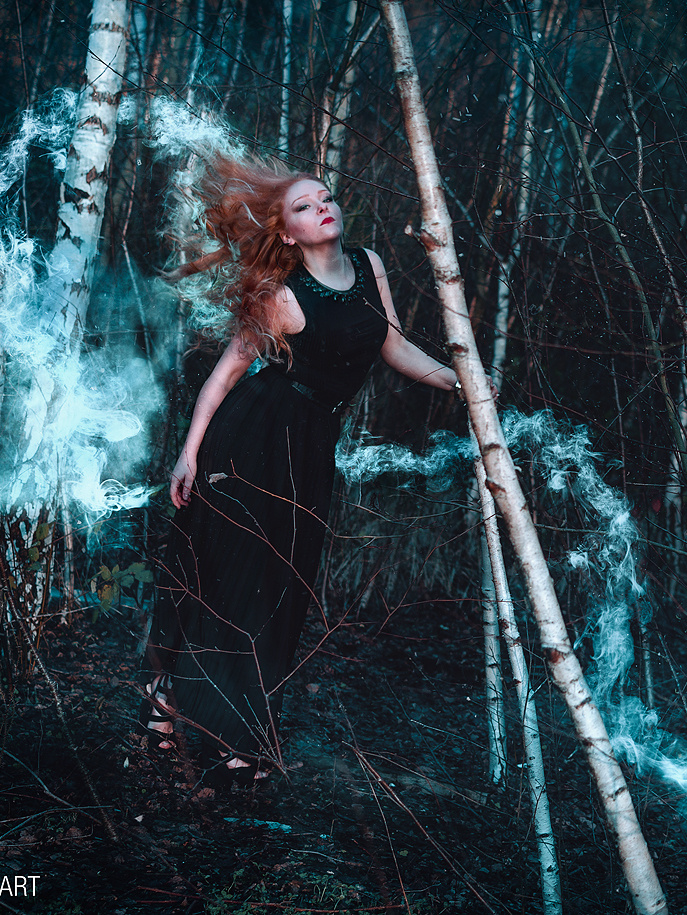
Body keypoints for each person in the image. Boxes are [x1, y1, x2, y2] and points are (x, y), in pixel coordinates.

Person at [141, 155, 470, 784]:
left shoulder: (370, 266)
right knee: (238, 584)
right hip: (251, 441)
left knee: (282, 592)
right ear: (287, 233)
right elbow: (226, 375)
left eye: (325, 196)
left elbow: (393, 345)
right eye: (303, 205)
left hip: (310, 452)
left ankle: (174, 701)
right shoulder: (282, 296)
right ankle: (229, 740)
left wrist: (462, 385)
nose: (323, 205)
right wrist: (188, 454)